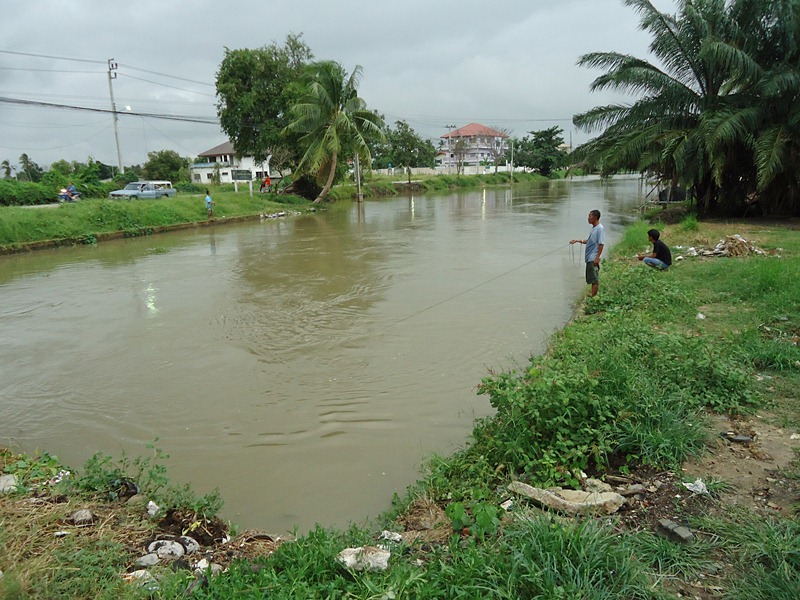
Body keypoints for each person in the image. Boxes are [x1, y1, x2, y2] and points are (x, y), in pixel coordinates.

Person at [570, 209, 605, 297]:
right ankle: (593, 294)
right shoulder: (593, 228)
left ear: (595, 217)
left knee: (594, 279)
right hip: (590, 257)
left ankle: (593, 297)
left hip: (593, 258)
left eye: (590, 216)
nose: (588, 218)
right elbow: (590, 241)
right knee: (591, 278)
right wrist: (578, 241)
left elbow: (601, 244)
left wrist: (597, 258)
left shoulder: (600, 229)